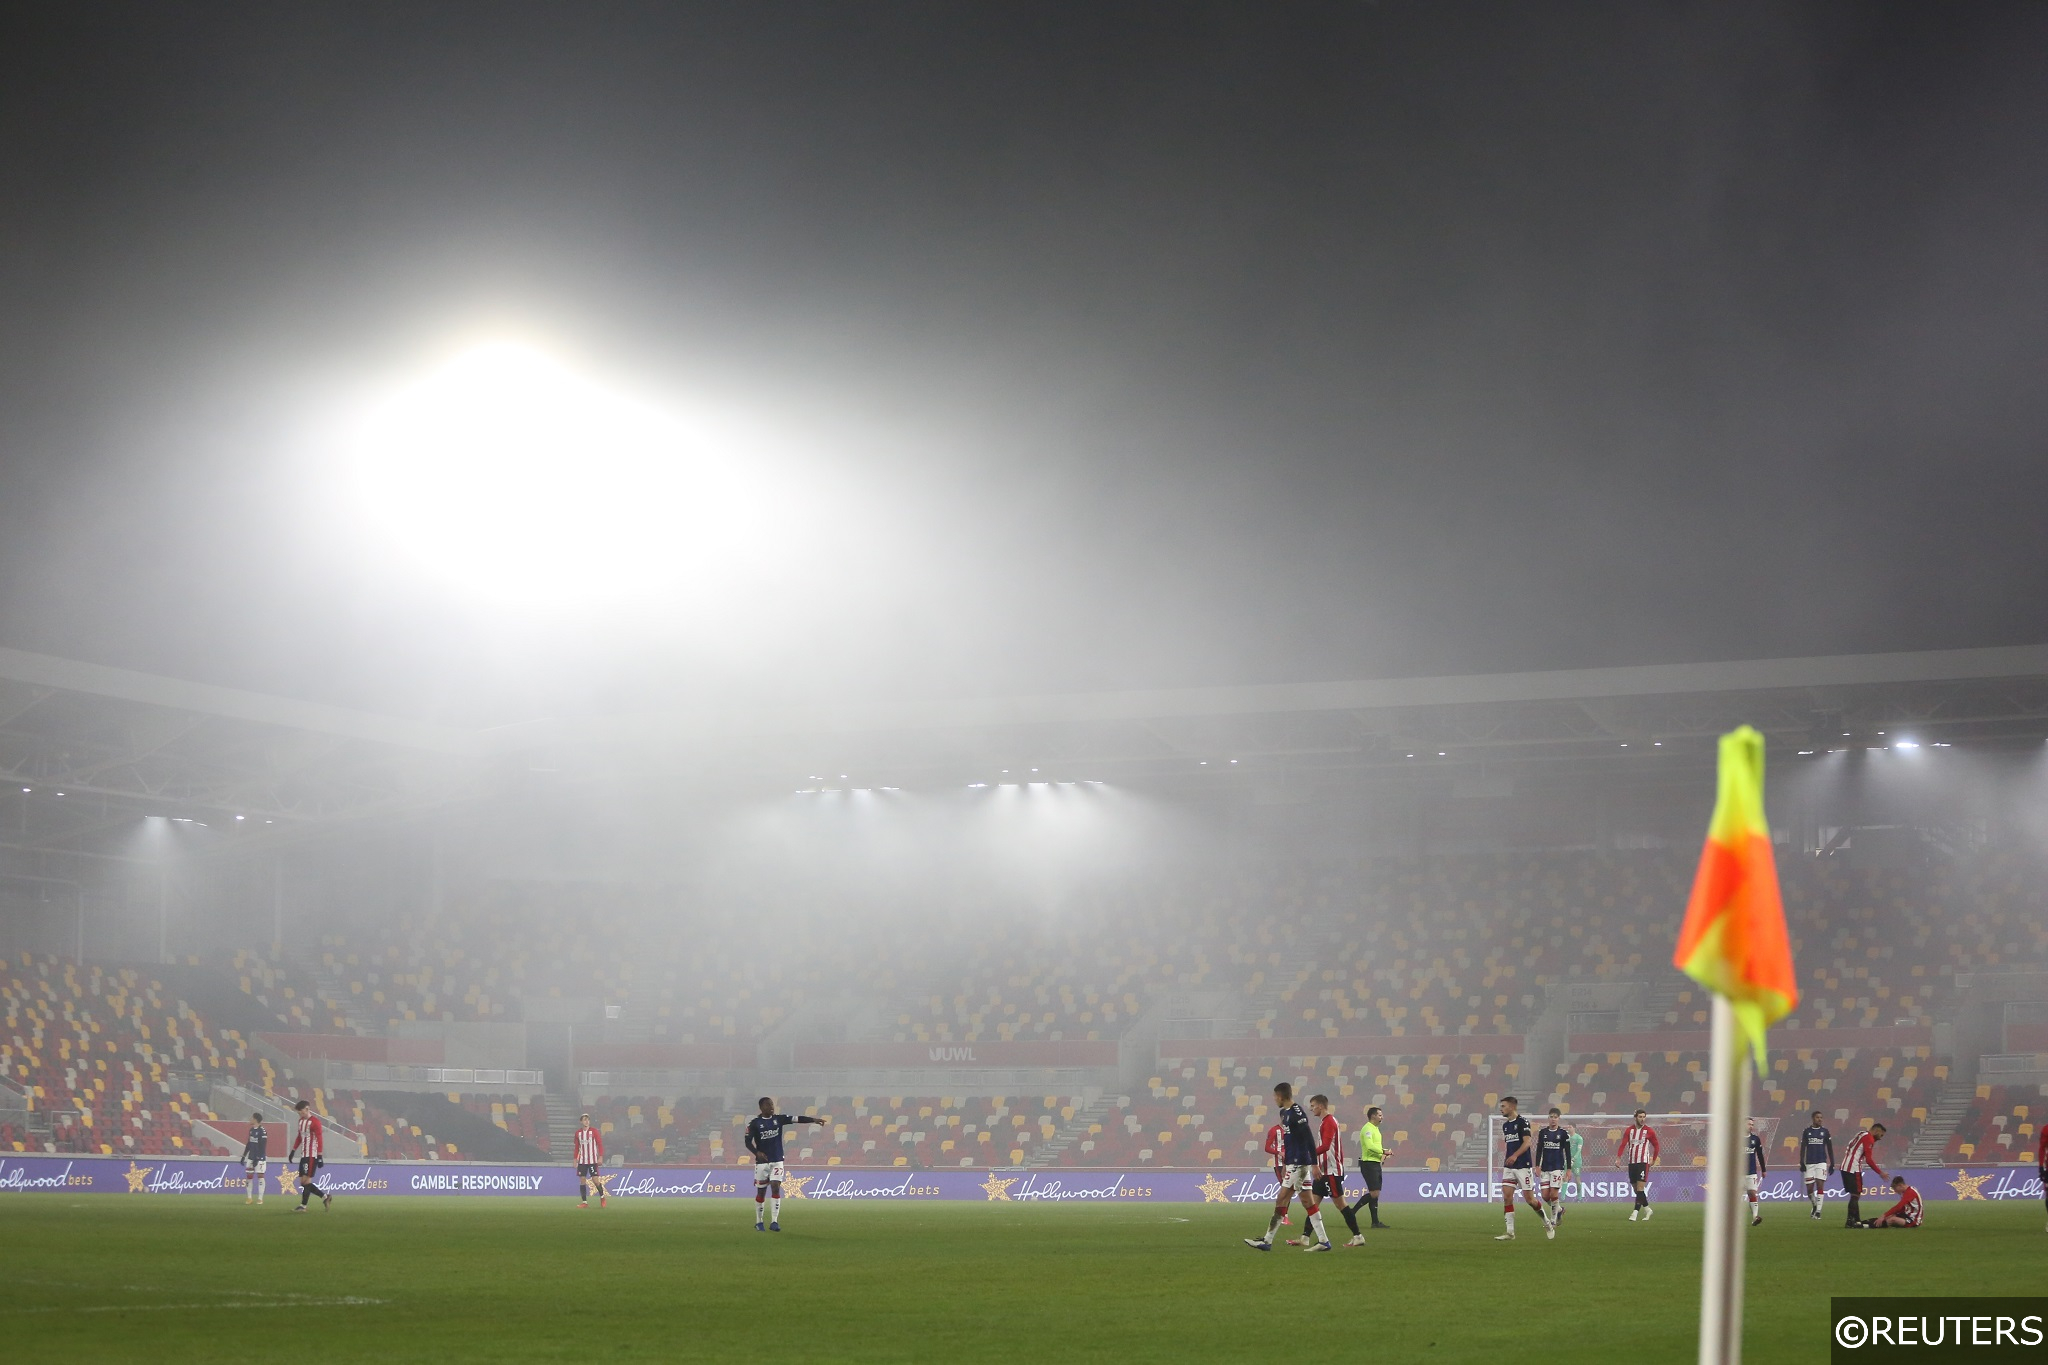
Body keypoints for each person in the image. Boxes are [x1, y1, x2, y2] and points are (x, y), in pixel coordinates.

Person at [1244, 1082, 1332, 1252]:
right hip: (1293, 1163)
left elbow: (1308, 1139)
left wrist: (1314, 1165)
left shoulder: (1297, 1113)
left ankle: (1267, 1241)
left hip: (1300, 1163)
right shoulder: (1283, 1113)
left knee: (1281, 1199)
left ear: (1281, 1096)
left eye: (1275, 1097)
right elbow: (1289, 1141)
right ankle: (1323, 1241)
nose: (1274, 1100)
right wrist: (1285, 1163)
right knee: (1308, 1201)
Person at [744, 1097, 825, 1232]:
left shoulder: (779, 1119)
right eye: (768, 1104)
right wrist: (756, 1152)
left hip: (777, 1161)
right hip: (762, 1163)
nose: (771, 1106)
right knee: (761, 1192)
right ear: (761, 1107)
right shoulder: (754, 1124)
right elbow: (747, 1142)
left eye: (772, 1104)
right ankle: (759, 1222)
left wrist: (813, 1120)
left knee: (776, 1187)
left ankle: (774, 1222)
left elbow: (797, 1119)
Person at [1301, 1094, 1361, 1246]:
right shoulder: (1325, 1122)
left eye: (1313, 1105)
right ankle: (1305, 1238)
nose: (1311, 1108)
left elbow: (1326, 1147)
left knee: (1341, 1204)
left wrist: (1309, 1155)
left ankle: (1358, 1236)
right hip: (1323, 1172)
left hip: (1332, 1172)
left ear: (1321, 1106)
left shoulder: (1329, 1122)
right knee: (1312, 1204)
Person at [1494, 1096, 1542, 1241]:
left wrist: (1515, 1156)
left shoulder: (1523, 1122)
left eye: (1503, 1106)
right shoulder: (1505, 1125)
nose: (1500, 1109)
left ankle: (1545, 1220)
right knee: (1507, 1197)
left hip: (1523, 1165)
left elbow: (1527, 1143)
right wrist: (1511, 1158)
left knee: (1530, 1200)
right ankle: (1510, 1232)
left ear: (1512, 1107)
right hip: (1509, 1166)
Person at [1839, 1121, 1887, 1229]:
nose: (1880, 1138)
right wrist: (1881, 1172)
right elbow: (1869, 1160)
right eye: (1881, 1135)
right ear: (1876, 1130)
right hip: (1853, 1168)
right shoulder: (1869, 1138)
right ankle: (1851, 1221)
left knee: (1855, 1194)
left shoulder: (1861, 1133)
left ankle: (1856, 1220)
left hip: (1845, 1166)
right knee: (1855, 1195)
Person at [1348, 1105, 1389, 1232]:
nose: (1382, 1117)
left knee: (1375, 1194)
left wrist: (1382, 1157)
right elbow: (1370, 1146)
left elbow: (1374, 1147)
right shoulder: (1367, 1129)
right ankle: (1351, 1213)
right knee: (1374, 1193)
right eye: (1380, 1115)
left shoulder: (1376, 1129)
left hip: (1375, 1163)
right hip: (1368, 1164)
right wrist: (1383, 1151)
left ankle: (1375, 1222)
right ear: (1373, 1116)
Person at [286, 1098, 329, 1212]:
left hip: (311, 1155)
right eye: (299, 1112)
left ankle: (303, 1206)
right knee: (303, 1182)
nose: (300, 1114)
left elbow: (319, 1139)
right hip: (304, 1155)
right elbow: (300, 1137)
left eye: (301, 1111)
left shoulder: (315, 1122)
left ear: (307, 1109)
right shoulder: (301, 1121)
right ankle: (325, 1197)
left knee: (305, 1182)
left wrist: (319, 1156)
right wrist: (293, 1150)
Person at [1534, 1107, 1571, 1239]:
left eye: (1556, 1117)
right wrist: (1537, 1165)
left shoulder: (1563, 1133)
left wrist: (1568, 1169)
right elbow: (1539, 1150)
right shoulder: (1542, 1132)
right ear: (1548, 1118)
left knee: (1553, 1194)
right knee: (1545, 1196)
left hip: (1557, 1168)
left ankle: (1553, 1221)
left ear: (1558, 1118)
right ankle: (1560, 1210)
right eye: (1551, 1116)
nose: (1553, 1119)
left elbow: (1567, 1152)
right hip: (1545, 1168)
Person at [1618, 1109, 1660, 1221]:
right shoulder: (1629, 1130)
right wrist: (1618, 1158)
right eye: (1640, 1117)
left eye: (1644, 1117)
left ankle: (1635, 1213)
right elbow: (1623, 1144)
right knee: (1636, 1190)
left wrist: (1654, 1159)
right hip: (1631, 1162)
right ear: (1635, 1117)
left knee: (1640, 1188)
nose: (1642, 1119)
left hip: (1643, 1162)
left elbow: (1656, 1146)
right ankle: (1647, 1209)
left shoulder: (1649, 1131)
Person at [1798, 1109, 1835, 1220]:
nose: (1820, 1119)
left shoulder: (1825, 1132)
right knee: (1809, 1189)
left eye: (1821, 1117)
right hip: (1809, 1163)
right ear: (1813, 1118)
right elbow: (1803, 1147)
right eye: (1817, 1117)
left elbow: (1829, 1148)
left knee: (1820, 1186)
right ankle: (1814, 1205)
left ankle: (1818, 1211)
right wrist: (1801, 1162)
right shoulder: (1807, 1131)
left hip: (1821, 1162)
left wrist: (1832, 1163)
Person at [573, 1112, 608, 1208]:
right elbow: (577, 1147)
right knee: (582, 1180)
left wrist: (600, 1156)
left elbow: (599, 1144)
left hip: (592, 1160)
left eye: (588, 1119)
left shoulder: (594, 1131)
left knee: (595, 1180)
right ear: (581, 1121)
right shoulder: (578, 1133)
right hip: (582, 1161)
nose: (587, 1121)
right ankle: (584, 1202)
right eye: (584, 1119)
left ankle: (602, 1197)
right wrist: (575, 1159)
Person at [1263, 1121, 1292, 1226]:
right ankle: (1282, 1216)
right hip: (1279, 1164)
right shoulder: (1274, 1130)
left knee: (1288, 1189)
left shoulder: (1291, 1129)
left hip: (1290, 1163)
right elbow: (1267, 1147)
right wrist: (1279, 1152)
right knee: (1285, 1188)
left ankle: (1283, 1216)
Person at [241, 1111, 268, 1205]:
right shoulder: (251, 1130)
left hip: (260, 1158)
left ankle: (260, 1198)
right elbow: (249, 1144)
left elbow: (262, 1146)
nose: (250, 1119)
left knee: (260, 1176)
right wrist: (244, 1156)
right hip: (250, 1157)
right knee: (249, 1177)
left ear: (255, 1119)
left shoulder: (262, 1131)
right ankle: (249, 1198)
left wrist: (257, 1157)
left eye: (252, 1118)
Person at [1745, 1117, 1766, 1227]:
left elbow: (1760, 1155)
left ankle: (1755, 1217)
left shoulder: (1755, 1139)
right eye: (1749, 1124)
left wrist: (1763, 1170)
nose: (1751, 1126)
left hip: (1751, 1172)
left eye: (1752, 1124)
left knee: (1752, 1193)